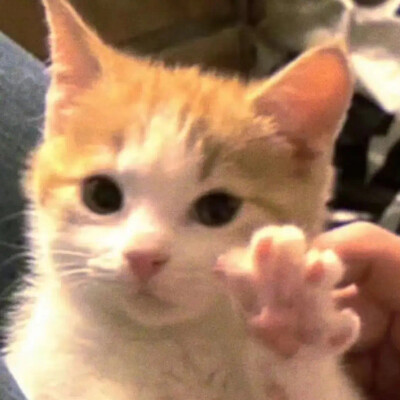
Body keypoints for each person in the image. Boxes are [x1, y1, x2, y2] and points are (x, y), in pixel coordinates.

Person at [0, 32, 399, 400]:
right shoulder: (52, 345)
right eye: (103, 196)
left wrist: (301, 369)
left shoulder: (282, 351)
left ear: (300, 153)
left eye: (214, 209)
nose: (144, 251)